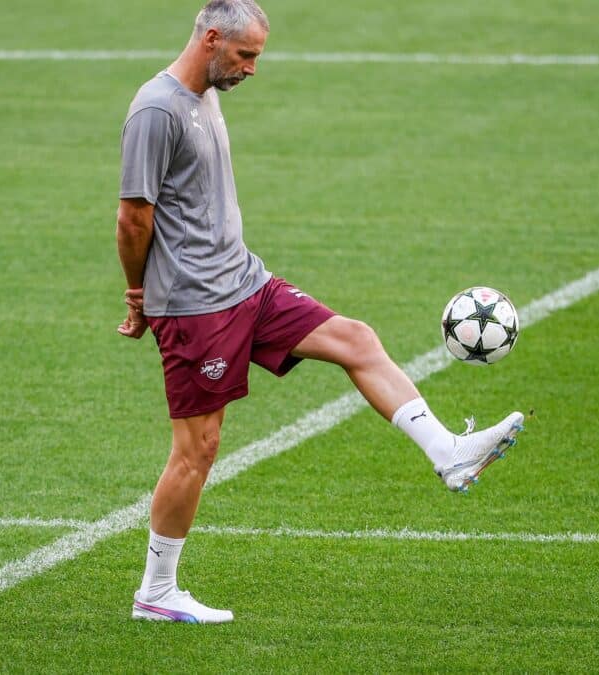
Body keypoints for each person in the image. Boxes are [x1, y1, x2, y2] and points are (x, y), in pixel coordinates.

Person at [116, 0, 524, 624]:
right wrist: (140, 295)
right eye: (246, 55)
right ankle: (157, 590)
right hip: (197, 306)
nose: (253, 68)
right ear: (212, 38)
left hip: (246, 281)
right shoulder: (156, 109)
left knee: (355, 339)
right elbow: (133, 216)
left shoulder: (206, 96)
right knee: (198, 448)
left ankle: (447, 451)